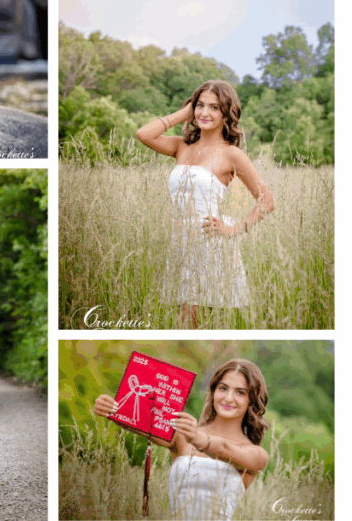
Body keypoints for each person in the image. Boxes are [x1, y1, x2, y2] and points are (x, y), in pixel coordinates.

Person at [135, 80, 274, 328]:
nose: (205, 113)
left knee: (198, 319)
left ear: (226, 114)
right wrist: (184, 114)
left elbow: (267, 201)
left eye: (214, 107)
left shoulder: (231, 154)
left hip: (210, 241)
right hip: (180, 240)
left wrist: (234, 228)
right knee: (185, 320)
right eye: (200, 105)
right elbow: (143, 134)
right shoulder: (181, 146)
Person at [93, 358, 269, 520]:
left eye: (240, 392)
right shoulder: (183, 436)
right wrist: (112, 410)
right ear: (213, 391)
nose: (228, 398)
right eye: (223, 388)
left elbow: (224, 449)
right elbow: (138, 421)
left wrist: (200, 439)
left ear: (251, 400)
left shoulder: (256, 455)